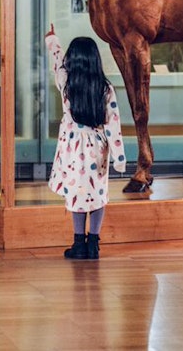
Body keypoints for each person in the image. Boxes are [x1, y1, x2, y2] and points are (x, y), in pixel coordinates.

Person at [45, 23, 126, 260]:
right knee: (97, 194)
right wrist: (119, 159)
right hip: (97, 148)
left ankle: (78, 243)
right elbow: (113, 125)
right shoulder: (106, 88)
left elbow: (57, 62)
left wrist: (52, 39)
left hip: (72, 148)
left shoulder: (67, 83)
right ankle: (94, 244)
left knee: (77, 193)